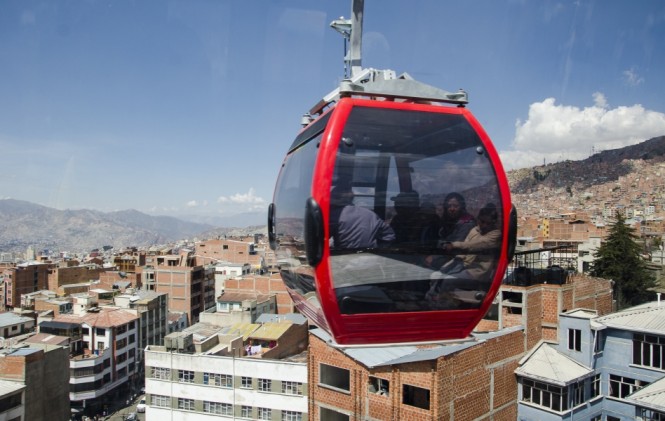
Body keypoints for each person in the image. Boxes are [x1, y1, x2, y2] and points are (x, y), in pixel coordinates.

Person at [426, 203, 501, 301]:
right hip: (463, 264)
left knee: (448, 281)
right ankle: (432, 296)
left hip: (476, 271)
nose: (484, 225)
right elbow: (465, 246)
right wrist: (453, 263)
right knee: (436, 275)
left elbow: (475, 245)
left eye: (488, 223)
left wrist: (454, 245)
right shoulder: (475, 230)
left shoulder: (495, 234)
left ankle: (441, 302)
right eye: (482, 222)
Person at [329, 185, 395, 249]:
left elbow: (321, 238)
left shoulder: (334, 216)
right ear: (352, 198)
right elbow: (389, 236)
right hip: (370, 257)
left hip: (343, 257)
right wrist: (377, 249)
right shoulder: (370, 214)